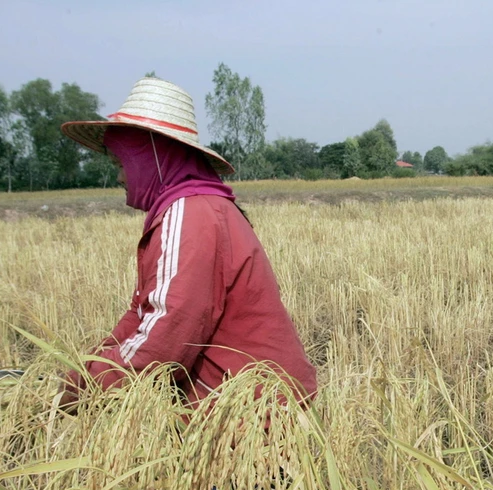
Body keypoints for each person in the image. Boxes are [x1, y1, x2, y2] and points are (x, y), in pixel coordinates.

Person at [58, 77, 316, 412]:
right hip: (251, 399)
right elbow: (142, 312)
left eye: (122, 164)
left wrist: (80, 390)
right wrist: (88, 366)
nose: (120, 177)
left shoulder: (190, 214)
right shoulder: (197, 205)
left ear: (152, 156)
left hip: (252, 413)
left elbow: (164, 339)